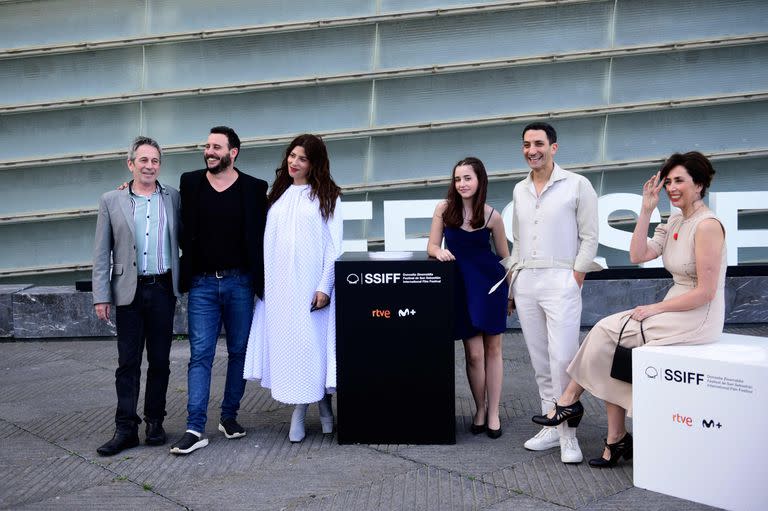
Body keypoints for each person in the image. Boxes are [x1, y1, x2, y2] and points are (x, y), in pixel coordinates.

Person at [533, 151, 726, 467]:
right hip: (672, 306)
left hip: (697, 315)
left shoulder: (707, 225)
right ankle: (614, 437)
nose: (672, 188)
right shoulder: (675, 218)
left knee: (610, 332)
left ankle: (570, 402)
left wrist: (654, 309)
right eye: (668, 182)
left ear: (700, 184)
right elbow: (638, 254)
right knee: (610, 336)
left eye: (680, 181)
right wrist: (646, 210)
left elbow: (705, 293)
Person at [169, 126, 268, 455]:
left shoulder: (255, 189)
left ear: (233, 152)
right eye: (207, 146)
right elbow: (166, 203)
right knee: (200, 356)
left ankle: (229, 417)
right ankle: (195, 427)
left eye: (216, 147)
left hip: (240, 282)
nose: (209, 151)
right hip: (202, 283)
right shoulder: (190, 181)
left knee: (239, 351)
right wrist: (130, 188)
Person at [509, 122, 601, 463]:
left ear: (554, 147)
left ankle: (569, 435)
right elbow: (517, 240)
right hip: (527, 281)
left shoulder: (578, 185)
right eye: (526, 144)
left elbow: (589, 237)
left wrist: (575, 276)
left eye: (538, 143)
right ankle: (550, 424)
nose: (532, 150)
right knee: (539, 359)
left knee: (563, 357)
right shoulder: (519, 189)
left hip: (561, 277)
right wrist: (512, 282)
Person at [244, 134, 342, 443]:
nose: (294, 162)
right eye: (292, 155)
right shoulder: (278, 194)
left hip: (311, 287)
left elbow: (334, 246)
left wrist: (324, 286)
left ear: (314, 163)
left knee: (309, 349)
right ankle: (325, 408)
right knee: (290, 349)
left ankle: (299, 412)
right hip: (279, 288)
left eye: (302, 158)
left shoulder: (328, 195)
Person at [92, 136, 181, 456]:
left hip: (162, 289)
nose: (149, 166)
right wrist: (101, 295)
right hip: (128, 291)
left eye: (155, 161)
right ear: (131, 164)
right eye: (143, 160)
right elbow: (102, 252)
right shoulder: (111, 200)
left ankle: (155, 422)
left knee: (160, 361)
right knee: (127, 363)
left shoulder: (173, 197)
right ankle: (125, 428)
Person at [427, 157, 510, 438]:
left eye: (467, 178)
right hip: (461, 288)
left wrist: (512, 295)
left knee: (494, 351)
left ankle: (494, 412)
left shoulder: (492, 216)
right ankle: (480, 409)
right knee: (473, 354)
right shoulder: (444, 209)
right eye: (457, 179)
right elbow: (432, 245)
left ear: (479, 180)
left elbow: (505, 257)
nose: (461, 184)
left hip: (491, 287)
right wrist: (438, 252)